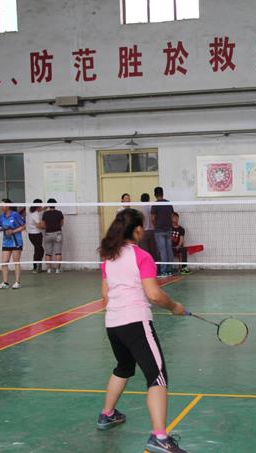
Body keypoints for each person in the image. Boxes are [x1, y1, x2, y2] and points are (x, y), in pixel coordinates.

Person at [97, 208, 188, 453]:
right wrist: (175, 307)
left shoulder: (108, 258)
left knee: (124, 367)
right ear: (137, 230)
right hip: (135, 323)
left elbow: (105, 295)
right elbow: (154, 294)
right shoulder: (142, 256)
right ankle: (160, 437)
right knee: (157, 376)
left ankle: (107, 414)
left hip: (113, 324)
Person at [150, 187, 174, 278]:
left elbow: (152, 218)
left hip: (159, 230)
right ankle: (170, 270)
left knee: (163, 251)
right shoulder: (168, 203)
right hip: (168, 229)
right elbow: (172, 216)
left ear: (155, 194)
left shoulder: (155, 205)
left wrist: (156, 225)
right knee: (169, 250)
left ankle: (163, 271)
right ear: (163, 193)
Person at [42, 199, 64, 274]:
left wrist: (49, 227)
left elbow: (43, 224)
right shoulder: (59, 213)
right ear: (55, 204)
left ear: (48, 205)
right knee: (58, 252)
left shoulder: (45, 213)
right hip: (58, 233)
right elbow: (62, 223)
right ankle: (57, 269)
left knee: (48, 253)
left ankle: (49, 269)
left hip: (48, 234)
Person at [138, 193, 159, 261]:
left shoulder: (140, 209)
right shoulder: (152, 207)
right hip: (152, 231)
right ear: (149, 199)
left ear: (141, 199)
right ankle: (155, 265)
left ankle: (146, 265)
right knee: (153, 251)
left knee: (144, 251)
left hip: (144, 232)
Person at [26, 199, 45, 273]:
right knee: (38, 250)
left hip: (31, 234)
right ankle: (36, 267)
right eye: (41, 205)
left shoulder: (31, 211)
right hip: (36, 234)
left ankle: (37, 266)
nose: (41, 207)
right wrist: (49, 227)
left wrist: (46, 207)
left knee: (39, 250)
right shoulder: (35, 214)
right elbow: (39, 226)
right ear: (38, 206)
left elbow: (40, 210)